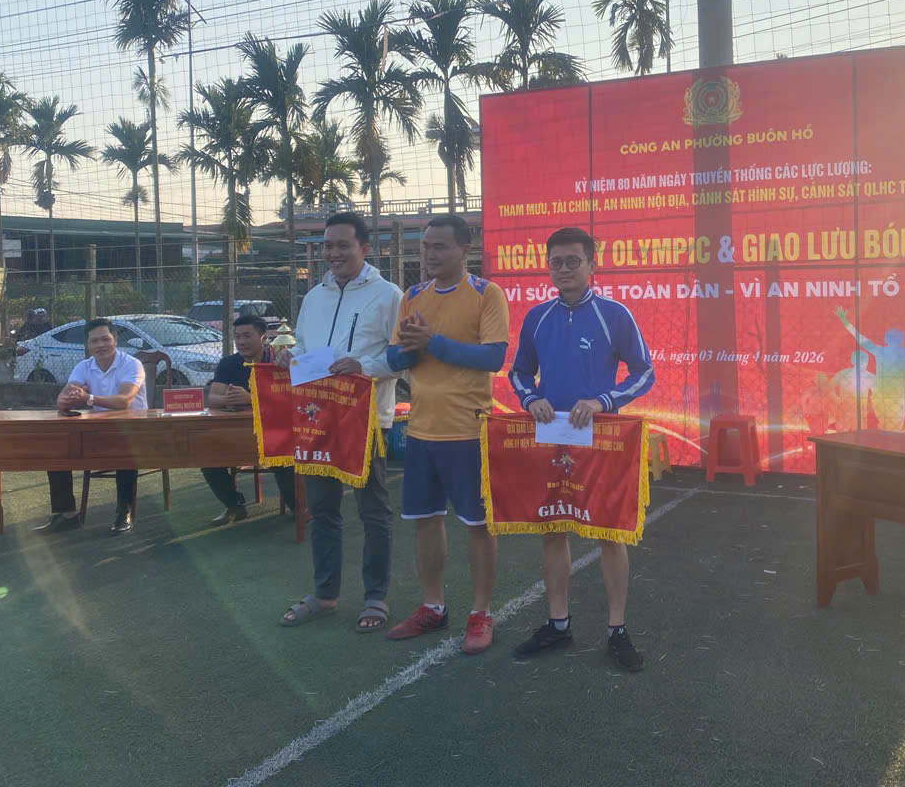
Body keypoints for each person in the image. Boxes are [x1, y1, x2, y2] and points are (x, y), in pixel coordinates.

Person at [508, 226, 655, 672]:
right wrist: (530, 400)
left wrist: (602, 401)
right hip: (552, 439)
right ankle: (558, 624)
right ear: (548, 267)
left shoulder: (614, 314)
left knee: (610, 533)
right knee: (553, 529)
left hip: (602, 441)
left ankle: (617, 629)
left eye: (574, 261)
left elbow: (644, 372)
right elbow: (519, 373)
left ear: (593, 264)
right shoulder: (537, 317)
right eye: (557, 262)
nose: (565, 269)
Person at [385, 214, 509, 654]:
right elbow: (395, 359)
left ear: (464, 249)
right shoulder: (413, 297)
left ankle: (481, 612)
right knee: (425, 521)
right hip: (421, 430)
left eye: (439, 246)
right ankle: (433, 606)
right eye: (425, 247)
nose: (429, 254)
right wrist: (407, 350)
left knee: (477, 524)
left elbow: (493, 358)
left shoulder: (486, 294)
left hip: (468, 429)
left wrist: (430, 343)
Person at [277, 212, 402, 633]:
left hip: (365, 421)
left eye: (343, 245)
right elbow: (305, 349)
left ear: (365, 248)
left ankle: (375, 597)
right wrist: (289, 358)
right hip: (317, 420)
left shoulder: (389, 296)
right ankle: (325, 594)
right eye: (328, 245)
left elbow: (402, 358)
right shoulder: (314, 297)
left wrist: (363, 366)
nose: (333, 253)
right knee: (323, 511)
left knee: (373, 511)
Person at [40, 318, 146, 535]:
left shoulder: (132, 364)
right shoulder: (83, 366)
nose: (100, 345)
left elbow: (123, 401)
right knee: (57, 450)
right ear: (88, 345)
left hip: (135, 431)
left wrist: (87, 398)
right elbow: (62, 401)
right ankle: (67, 514)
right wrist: (70, 398)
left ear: (115, 340)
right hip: (98, 431)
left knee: (125, 446)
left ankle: (123, 513)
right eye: (94, 341)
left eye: (105, 339)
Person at [202, 314, 296, 524]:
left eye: (247, 336)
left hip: (274, 432)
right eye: (237, 337)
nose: (241, 342)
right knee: (207, 457)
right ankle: (234, 505)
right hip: (237, 434)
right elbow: (213, 399)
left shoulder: (277, 361)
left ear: (263, 337)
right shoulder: (229, 364)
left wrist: (251, 398)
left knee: (284, 458)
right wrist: (228, 398)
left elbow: (289, 400)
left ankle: (298, 506)